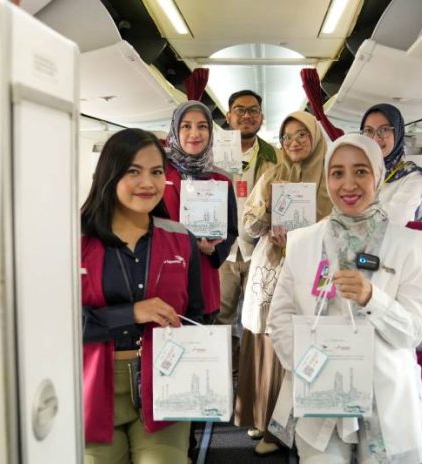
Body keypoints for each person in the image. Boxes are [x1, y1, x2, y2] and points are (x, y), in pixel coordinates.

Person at [267, 133, 422, 464]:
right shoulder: (302, 243)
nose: (348, 184)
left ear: (378, 175)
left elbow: (413, 332)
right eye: (337, 173)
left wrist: (372, 298)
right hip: (321, 388)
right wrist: (308, 365)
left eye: (361, 171)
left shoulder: (409, 246)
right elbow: (280, 318)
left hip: (384, 393)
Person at [80, 128, 204, 464]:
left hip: (164, 381)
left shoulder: (182, 239)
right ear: (109, 174)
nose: (147, 183)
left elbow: (195, 316)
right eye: (133, 171)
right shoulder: (76, 240)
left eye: (156, 172)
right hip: (93, 383)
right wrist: (131, 313)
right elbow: (57, 323)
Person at [236, 111, 333, 455]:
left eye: (301, 135)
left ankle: (289, 430)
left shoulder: (330, 176)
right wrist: (267, 219)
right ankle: (264, 419)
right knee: (267, 342)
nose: (294, 142)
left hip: (312, 268)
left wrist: (302, 237)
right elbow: (247, 224)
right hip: (273, 265)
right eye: (287, 137)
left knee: (301, 342)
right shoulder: (272, 175)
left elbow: (338, 226)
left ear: (315, 138)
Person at [216, 90, 279, 377]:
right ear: (228, 116)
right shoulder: (213, 154)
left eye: (253, 110)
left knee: (258, 318)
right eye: (240, 110)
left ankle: (251, 378)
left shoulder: (275, 156)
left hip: (261, 250)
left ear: (261, 117)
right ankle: (221, 375)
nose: (246, 115)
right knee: (221, 317)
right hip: (222, 250)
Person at [162, 100, 238, 323]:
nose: (194, 133)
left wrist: (213, 249)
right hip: (164, 283)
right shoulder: (159, 174)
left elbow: (231, 230)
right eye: (186, 126)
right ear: (175, 130)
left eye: (202, 126)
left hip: (204, 285)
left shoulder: (221, 180)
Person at [360, 103, 422, 225]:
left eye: (384, 129)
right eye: (368, 130)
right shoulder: (360, 173)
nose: (375, 139)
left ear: (397, 134)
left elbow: (392, 223)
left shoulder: (414, 177)